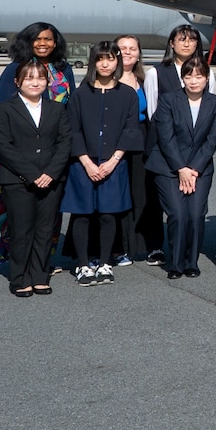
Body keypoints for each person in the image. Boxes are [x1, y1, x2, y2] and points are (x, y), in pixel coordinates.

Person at [63, 41, 145, 286]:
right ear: (93, 62)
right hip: (82, 163)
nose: (105, 64)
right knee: (82, 215)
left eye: (110, 58)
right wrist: (87, 162)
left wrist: (114, 160)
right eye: (100, 59)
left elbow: (131, 130)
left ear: (117, 62)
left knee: (110, 214)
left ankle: (106, 262)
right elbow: (72, 131)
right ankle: (82, 264)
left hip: (114, 163)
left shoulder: (127, 94)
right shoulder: (80, 94)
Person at [0, 57, 73, 297]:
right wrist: (32, 174)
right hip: (17, 179)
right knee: (21, 229)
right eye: (29, 78)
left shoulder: (56, 109)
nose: (35, 83)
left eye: (40, 78)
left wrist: (51, 173)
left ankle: (40, 275)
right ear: (17, 82)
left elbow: (64, 142)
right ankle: (19, 277)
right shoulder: (4, 109)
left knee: (45, 229)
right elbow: (4, 147)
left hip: (52, 179)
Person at [148, 56, 216, 279]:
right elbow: (165, 137)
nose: (194, 81)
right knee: (178, 214)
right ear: (182, 78)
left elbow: (213, 137)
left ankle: (191, 262)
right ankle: (176, 263)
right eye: (189, 76)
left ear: (207, 78)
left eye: (199, 76)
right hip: (169, 166)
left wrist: (194, 168)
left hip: (200, 168)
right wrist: (181, 168)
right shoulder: (169, 100)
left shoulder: (214, 102)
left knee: (196, 214)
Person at [114, 34, 160, 266]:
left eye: (133, 48)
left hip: (142, 140)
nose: (128, 52)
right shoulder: (105, 78)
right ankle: (119, 246)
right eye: (122, 48)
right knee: (118, 193)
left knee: (144, 193)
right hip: (115, 140)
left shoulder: (145, 78)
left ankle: (146, 245)